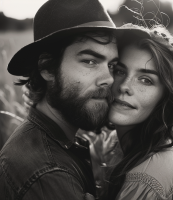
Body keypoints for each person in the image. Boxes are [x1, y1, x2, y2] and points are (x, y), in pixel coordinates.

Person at [22, 23, 173, 199]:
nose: (124, 87)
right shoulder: (122, 148)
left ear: (164, 96)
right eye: (119, 71)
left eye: (145, 80)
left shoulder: (145, 179)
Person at [0, 0, 119, 199]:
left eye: (113, 66)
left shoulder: (53, 141)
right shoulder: (48, 174)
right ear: (47, 67)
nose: (109, 79)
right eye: (90, 61)